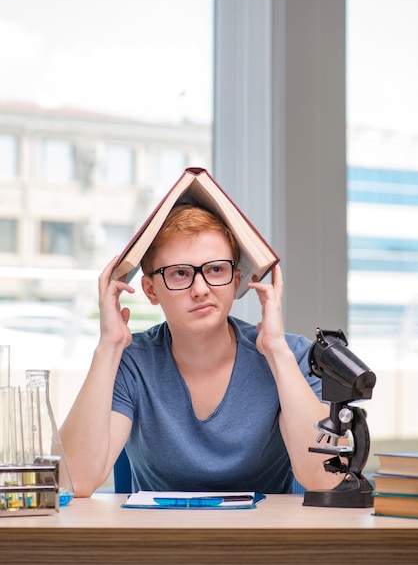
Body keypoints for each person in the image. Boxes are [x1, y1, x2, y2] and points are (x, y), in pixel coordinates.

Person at [61, 203, 344, 496]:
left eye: (216, 269)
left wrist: (277, 352)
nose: (200, 288)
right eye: (180, 273)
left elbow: (325, 479)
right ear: (150, 290)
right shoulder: (131, 362)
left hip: (264, 539)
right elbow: (73, 482)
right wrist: (108, 347)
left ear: (236, 283)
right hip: (160, 538)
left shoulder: (291, 355)